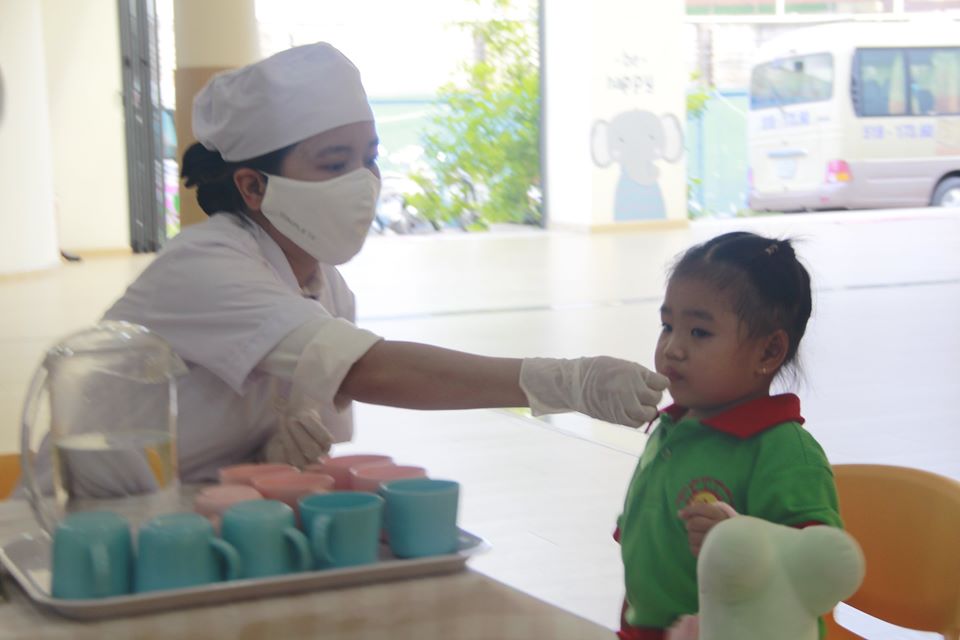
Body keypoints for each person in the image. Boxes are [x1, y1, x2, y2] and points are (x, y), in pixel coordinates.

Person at [32, 42, 667, 492]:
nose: (364, 181)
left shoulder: (324, 285)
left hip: (199, 512)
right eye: (334, 163)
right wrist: (563, 382)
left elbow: (312, 422)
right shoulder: (204, 265)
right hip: (85, 517)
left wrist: (270, 455)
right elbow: (372, 370)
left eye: (369, 158)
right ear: (253, 186)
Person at [614, 231, 842, 639]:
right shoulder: (671, 427)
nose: (672, 348)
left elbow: (823, 572)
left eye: (699, 332)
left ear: (768, 352)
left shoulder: (784, 452)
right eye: (667, 326)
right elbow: (643, 542)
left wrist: (745, 543)